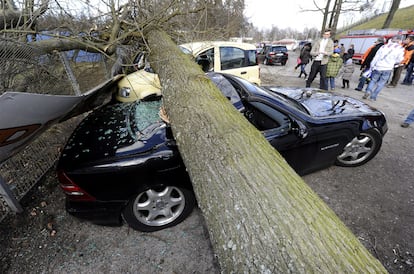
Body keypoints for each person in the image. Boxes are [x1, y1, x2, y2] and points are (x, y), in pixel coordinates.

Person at [362, 36, 404, 101]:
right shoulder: (400, 48)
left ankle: (368, 91)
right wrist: (393, 63)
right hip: (388, 68)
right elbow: (400, 59)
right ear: (399, 41)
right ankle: (373, 97)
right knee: (381, 83)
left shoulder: (383, 47)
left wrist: (372, 66)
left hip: (378, 67)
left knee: (373, 80)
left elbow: (376, 57)